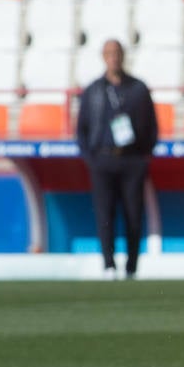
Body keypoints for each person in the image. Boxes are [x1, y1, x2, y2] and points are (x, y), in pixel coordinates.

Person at [76, 39, 158, 280]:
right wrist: (90, 158)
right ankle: (109, 265)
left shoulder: (138, 89)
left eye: (117, 53)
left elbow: (152, 127)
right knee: (104, 214)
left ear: (123, 56)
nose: (114, 57)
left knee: (134, 214)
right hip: (102, 160)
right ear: (103, 57)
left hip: (132, 160)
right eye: (109, 53)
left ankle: (132, 267)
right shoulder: (93, 90)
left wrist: (144, 156)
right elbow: (81, 128)